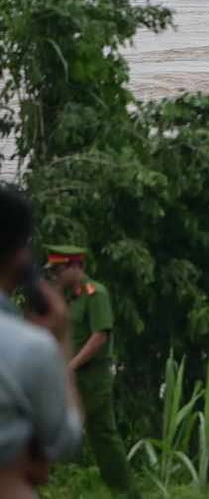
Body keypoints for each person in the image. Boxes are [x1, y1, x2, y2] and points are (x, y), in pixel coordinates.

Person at [0, 188, 83, 496]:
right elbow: (63, 439)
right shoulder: (31, 347)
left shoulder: (93, 292)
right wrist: (61, 343)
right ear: (20, 257)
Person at [43, 246, 129, 496]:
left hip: (92, 379)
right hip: (73, 377)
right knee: (100, 437)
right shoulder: (70, 298)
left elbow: (99, 336)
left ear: (75, 267)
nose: (55, 276)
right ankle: (120, 490)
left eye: (58, 270)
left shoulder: (95, 294)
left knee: (94, 435)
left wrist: (71, 365)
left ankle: (122, 490)